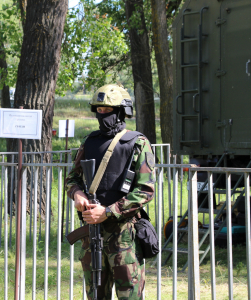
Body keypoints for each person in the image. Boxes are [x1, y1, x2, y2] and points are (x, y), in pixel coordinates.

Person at [66, 84, 156, 300]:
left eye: (108, 110)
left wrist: (106, 212)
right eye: (99, 110)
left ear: (121, 112)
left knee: (130, 296)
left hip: (124, 236)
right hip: (92, 235)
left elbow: (145, 190)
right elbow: (72, 178)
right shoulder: (89, 142)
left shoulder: (137, 143)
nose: (103, 115)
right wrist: (78, 194)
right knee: (95, 296)